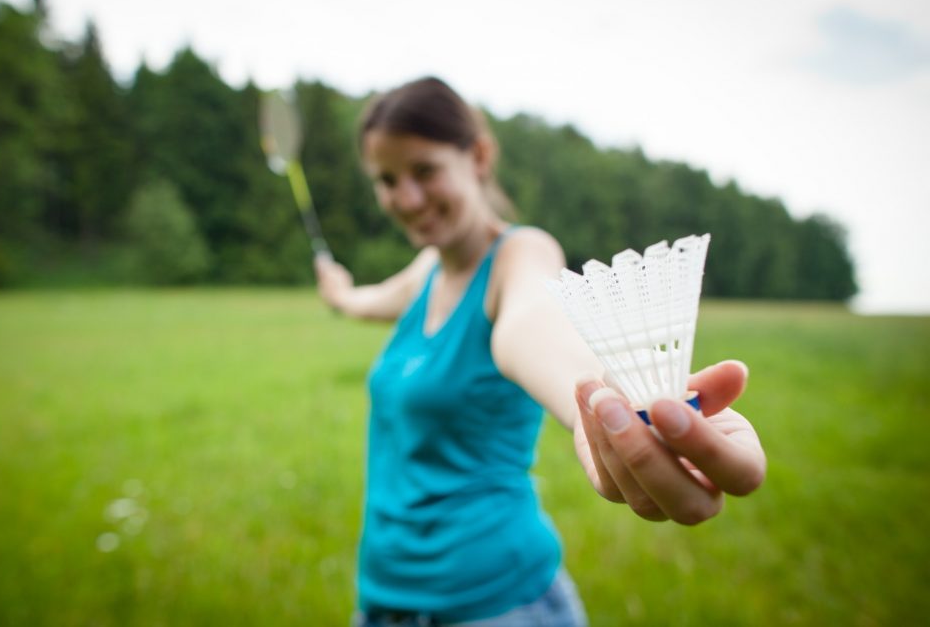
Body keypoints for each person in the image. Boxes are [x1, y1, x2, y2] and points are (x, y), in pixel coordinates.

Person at [314, 77, 766, 626]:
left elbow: (532, 327)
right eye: (387, 180)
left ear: (478, 156)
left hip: (496, 603)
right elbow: (365, 300)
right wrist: (337, 290)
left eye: (424, 170)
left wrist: (601, 405)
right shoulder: (427, 272)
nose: (405, 199)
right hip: (385, 599)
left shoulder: (520, 255)